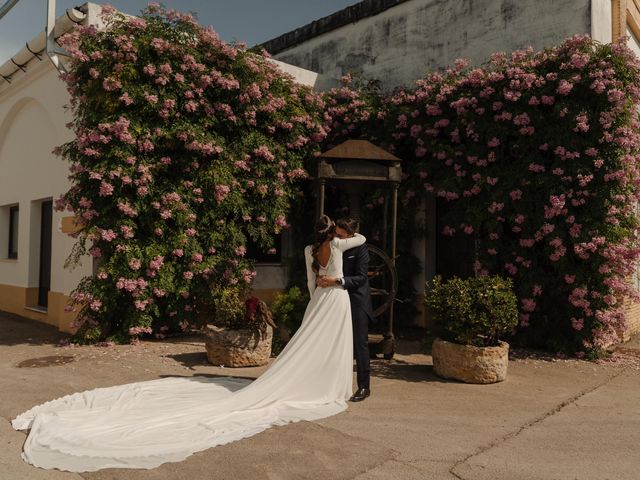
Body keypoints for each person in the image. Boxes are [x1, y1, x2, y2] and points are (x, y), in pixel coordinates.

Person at [12, 215, 366, 472]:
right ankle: (327, 385)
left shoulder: (308, 249)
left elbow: (309, 282)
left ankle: (312, 380)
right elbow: (362, 240)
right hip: (335, 299)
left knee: (313, 340)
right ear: (335, 231)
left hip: (320, 299)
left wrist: (318, 293)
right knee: (332, 343)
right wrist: (339, 260)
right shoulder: (339, 243)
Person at [316, 217, 372, 402]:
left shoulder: (360, 248)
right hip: (335, 300)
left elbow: (361, 278)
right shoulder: (333, 243)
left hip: (356, 300)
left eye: (340, 234)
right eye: (335, 232)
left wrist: (337, 281)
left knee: (360, 343)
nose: (336, 236)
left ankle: (364, 387)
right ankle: (330, 384)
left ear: (350, 235)